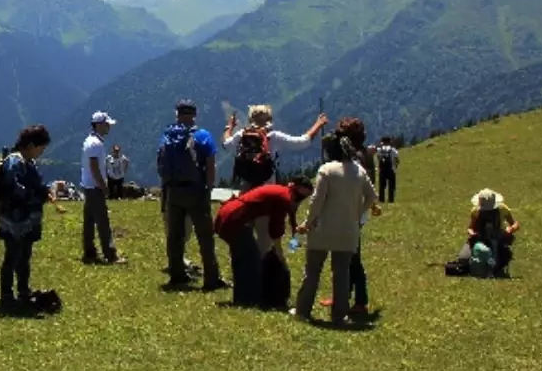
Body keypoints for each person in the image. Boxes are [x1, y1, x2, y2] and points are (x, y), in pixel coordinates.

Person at [293, 127, 379, 324]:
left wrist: (308, 223)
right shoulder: (359, 170)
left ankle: (302, 311)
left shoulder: (326, 170)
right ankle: (340, 314)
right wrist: (357, 214)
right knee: (342, 274)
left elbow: (316, 201)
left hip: (323, 229)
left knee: (312, 272)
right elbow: (372, 196)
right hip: (348, 230)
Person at [214, 176, 314, 308]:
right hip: (235, 219)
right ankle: (247, 301)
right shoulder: (284, 197)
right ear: (298, 188)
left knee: (242, 259)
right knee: (250, 262)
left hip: (229, 216)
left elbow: (289, 222)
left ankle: (242, 298)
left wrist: (294, 241)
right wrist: (280, 254)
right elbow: (276, 229)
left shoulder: (283, 192)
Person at [158, 100, 226, 290]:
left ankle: (177, 275)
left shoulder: (167, 136)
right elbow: (210, 164)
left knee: (175, 236)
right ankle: (212, 279)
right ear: (194, 115)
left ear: (177, 114)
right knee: (204, 236)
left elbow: (161, 165)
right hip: (196, 190)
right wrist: (208, 188)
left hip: (173, 191)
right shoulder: (203, 136)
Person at [0, 124, 53, 311]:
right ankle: (6, 295)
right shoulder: (14, 162)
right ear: (30, 145)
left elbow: (34, 183)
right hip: (14, 219)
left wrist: (44, 191)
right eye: (40, 148)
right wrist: (35, 196)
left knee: (24, 256)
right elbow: (13, 187)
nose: (41, 153)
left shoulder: (28, 162)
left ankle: (23, 291)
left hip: (25, 220)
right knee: (12, 256)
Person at [222, 105, 327, 190]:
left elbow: (226, 144)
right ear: (269, 120)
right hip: (267, 185)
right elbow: (302, 142)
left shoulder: (242, 134)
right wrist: (318, 124)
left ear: (251, 119)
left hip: (246, 184)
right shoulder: (274, 137)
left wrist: (229, 127)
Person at [80, 112, 126, 264]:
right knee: (103, 221)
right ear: (99, 125)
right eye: (107, 125)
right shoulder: (96, 144)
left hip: (88, 185)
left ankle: (89, 251)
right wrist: (103, 185)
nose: (109, 128)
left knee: (89, 221)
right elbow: (94, 167)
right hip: (94, 187)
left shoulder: (90, 140)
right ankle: (110, 254)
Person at [467, 189, 520, 276]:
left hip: (499, 238)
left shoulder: (503, 209)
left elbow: (515, 224)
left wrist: (511, 229)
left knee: (500, 252)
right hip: (480, 238)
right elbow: (470, 228)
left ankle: (494, 268)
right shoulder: (475, 211)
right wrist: (472, 233)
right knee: (464, 257)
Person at [376, 137, 400, 202]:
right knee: (391, 187)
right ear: (390, 142)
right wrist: (395, 167)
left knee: (382, 187)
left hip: (382, 170)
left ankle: (381, 200)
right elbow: (397, 160)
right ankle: (391, 200)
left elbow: (378, 158)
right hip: (391, 170)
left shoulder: (379, 150)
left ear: (382, 142)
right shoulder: (393, 150)